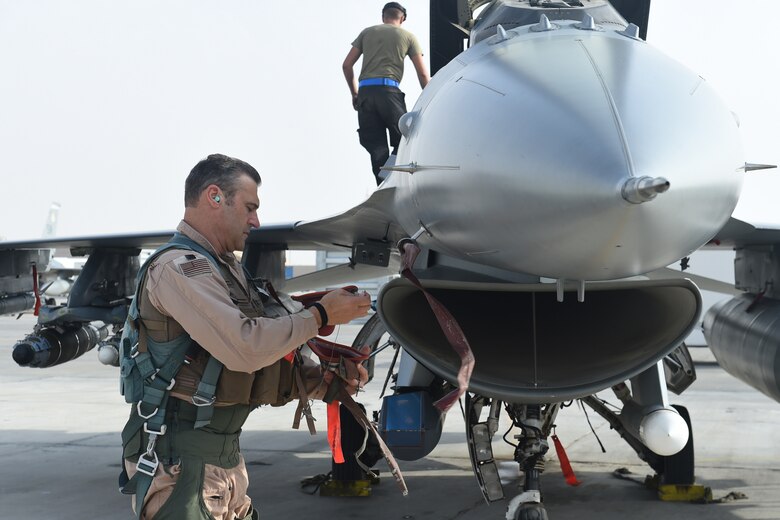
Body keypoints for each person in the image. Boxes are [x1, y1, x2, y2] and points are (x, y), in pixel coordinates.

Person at [119, 153, 371, 519]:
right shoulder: (179, 267)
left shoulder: (225, 269)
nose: (256, 220)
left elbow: (251, 360)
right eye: (250, 207)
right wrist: (322, 315)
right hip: (181, 462)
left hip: (221, 461)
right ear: (215, 197)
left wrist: (324, 381)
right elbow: (245, 347)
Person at [342, 2, 430, 185]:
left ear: (383, 16)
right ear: (402, 18)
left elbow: (346, 65)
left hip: (365, 93)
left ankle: (383, 184)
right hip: (389, 93)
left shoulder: (367, 32)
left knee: (376, 146)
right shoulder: (408, 37)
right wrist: (432, 96)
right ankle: (394, 175)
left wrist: (354, 93)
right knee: (406, 137)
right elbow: (422, 73)